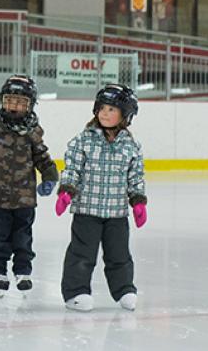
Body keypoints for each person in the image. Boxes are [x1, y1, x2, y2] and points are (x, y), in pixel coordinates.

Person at [0, 75, 59, 297]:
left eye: (20, 102)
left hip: (25, 197)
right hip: (0, 196)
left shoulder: (32, 132)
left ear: (30, 105)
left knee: (23, 236)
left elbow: (43, 158)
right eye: (10, 101)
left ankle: (23, 271)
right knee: (0, 237)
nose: (14, 107)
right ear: (1, 101)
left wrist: (50, 177)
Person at [56, 84, 147, 312]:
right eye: (102, 108)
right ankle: (76, 292)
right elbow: (72, 168)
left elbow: (135, 177)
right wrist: (66, 190)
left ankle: (124, 289)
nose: (105, 113)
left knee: (120, 254)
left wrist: (138, 201)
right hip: (87, 209)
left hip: (117, 212)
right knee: (82, 253)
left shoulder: (131, 145)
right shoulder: (83, 140)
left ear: (125, 115)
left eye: (112, 109)